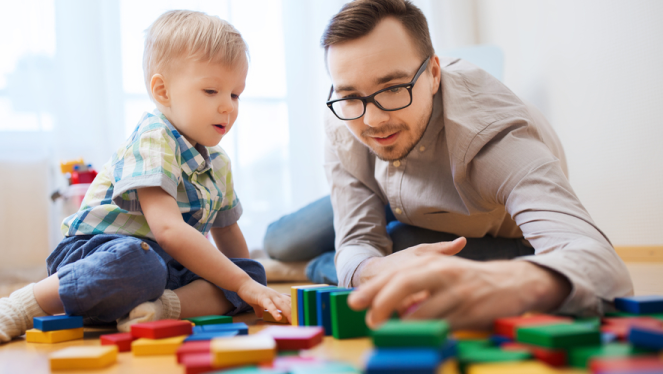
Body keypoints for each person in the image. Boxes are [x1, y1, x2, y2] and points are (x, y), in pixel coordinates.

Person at [264, 0, 632, 330]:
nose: (373, 121)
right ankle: (333, 263)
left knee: (401, 242)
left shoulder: (495, 137)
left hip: (494, 237)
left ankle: (326, 265)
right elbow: (360, 238)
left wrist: (524, 283)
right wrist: (369, 267)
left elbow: (603, 265)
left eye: (393, 88)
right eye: (349, 95)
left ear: (434, 74)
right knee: (281, 241)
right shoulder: (345, 119)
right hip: (389, 197)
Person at [0, 10, 290, 348]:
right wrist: (242, 286)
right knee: (141, 263)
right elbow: (169, 231)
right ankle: (21, 304)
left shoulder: (218, 163)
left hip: (165, 270)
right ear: (163, 91)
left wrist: (249, 285)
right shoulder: (153, 138)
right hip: (99, 255)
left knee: (250, 271)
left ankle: (158, 310)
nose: (228, 107)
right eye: (211, 91)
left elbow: (228, 233)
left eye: (235, 94)